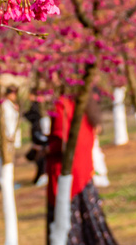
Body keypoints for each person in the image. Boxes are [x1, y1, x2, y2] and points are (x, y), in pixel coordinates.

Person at [45, 89, 117, 245]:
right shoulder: (84, 103)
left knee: (67, 227)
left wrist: (45, 149)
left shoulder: (63, 105)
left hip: (67, 176)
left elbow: (61, 142)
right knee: (90, 224)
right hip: (84, 173)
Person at [24, 100, 50, 186]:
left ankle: (40, 177)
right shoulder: (36, 123)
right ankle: (38, 178)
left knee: (41, 163)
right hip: (40, 145)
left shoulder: (40, 121)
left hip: (42, 146)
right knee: (40, 163)